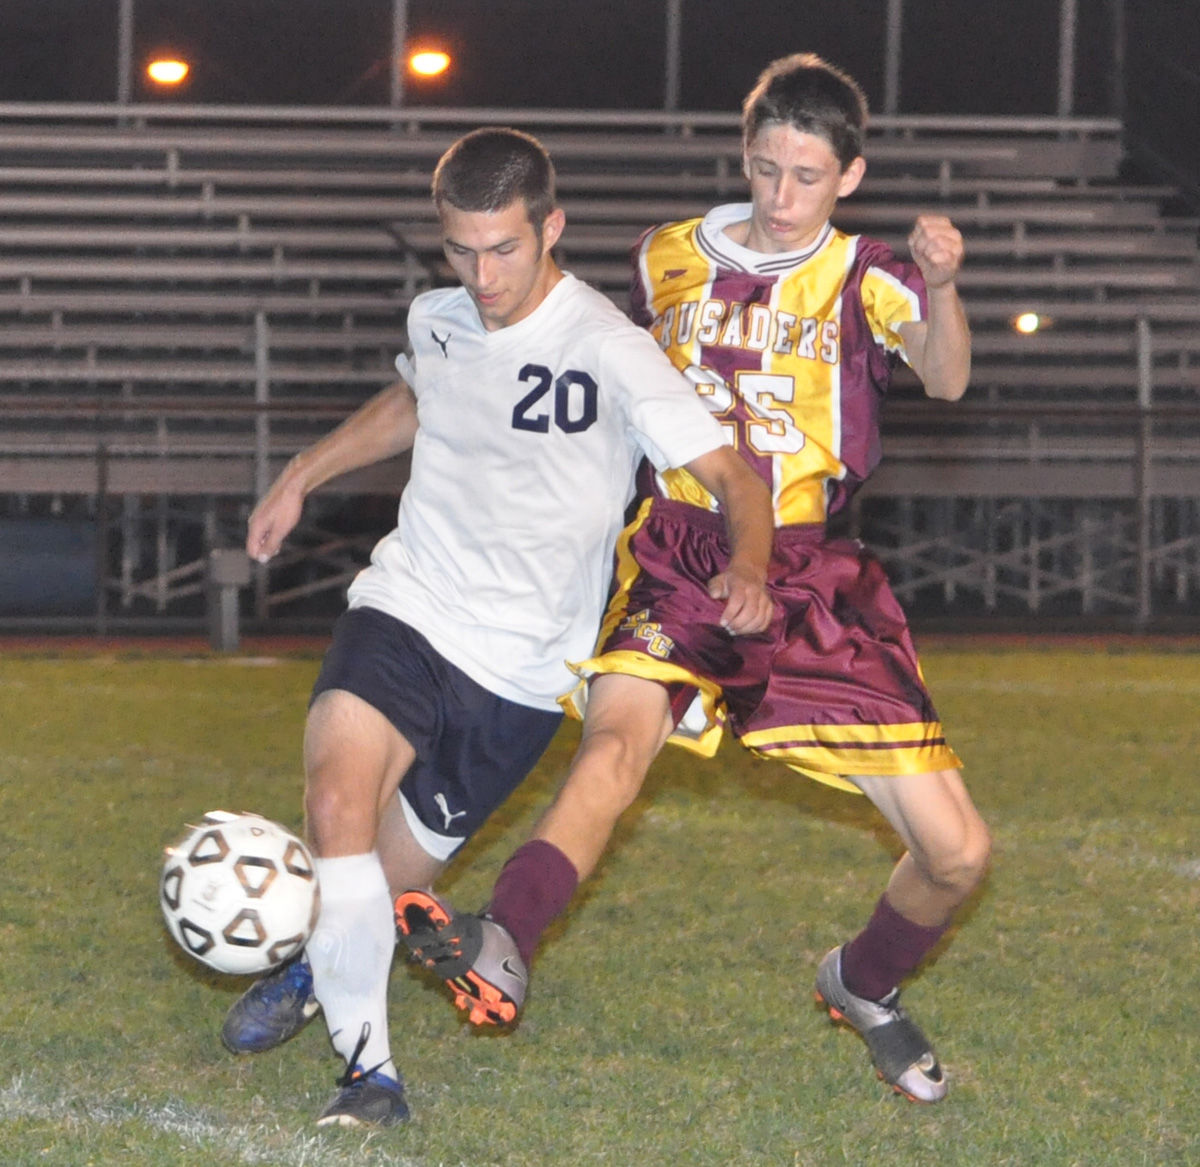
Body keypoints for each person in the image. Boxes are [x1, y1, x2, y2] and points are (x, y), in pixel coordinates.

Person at [397, 53, 991, 1106]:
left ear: (848, 177)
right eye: (764, 168)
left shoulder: (866, 273)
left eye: (806, 176)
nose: (779, 196)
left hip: (814, 573)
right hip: (681, 546)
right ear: (745, 151)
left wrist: (943, 286)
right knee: (620, 740)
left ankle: (863, 982)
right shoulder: (666, 254)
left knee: (957, 856)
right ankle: (507, 939)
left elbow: (945, 377)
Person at [220, 126, 775, 1129]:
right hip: (410, 604)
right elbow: (418, 400)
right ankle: (369, 1080)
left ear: (552, 227)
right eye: (461, 252)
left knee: (381, 891)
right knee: (336, 804)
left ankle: (317, 972)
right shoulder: (440, 317)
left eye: (504, 249)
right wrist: (303, 472)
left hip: (521, 673)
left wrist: (748, 563)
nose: (482, 276)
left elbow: (733, 475)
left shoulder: (609, 346)